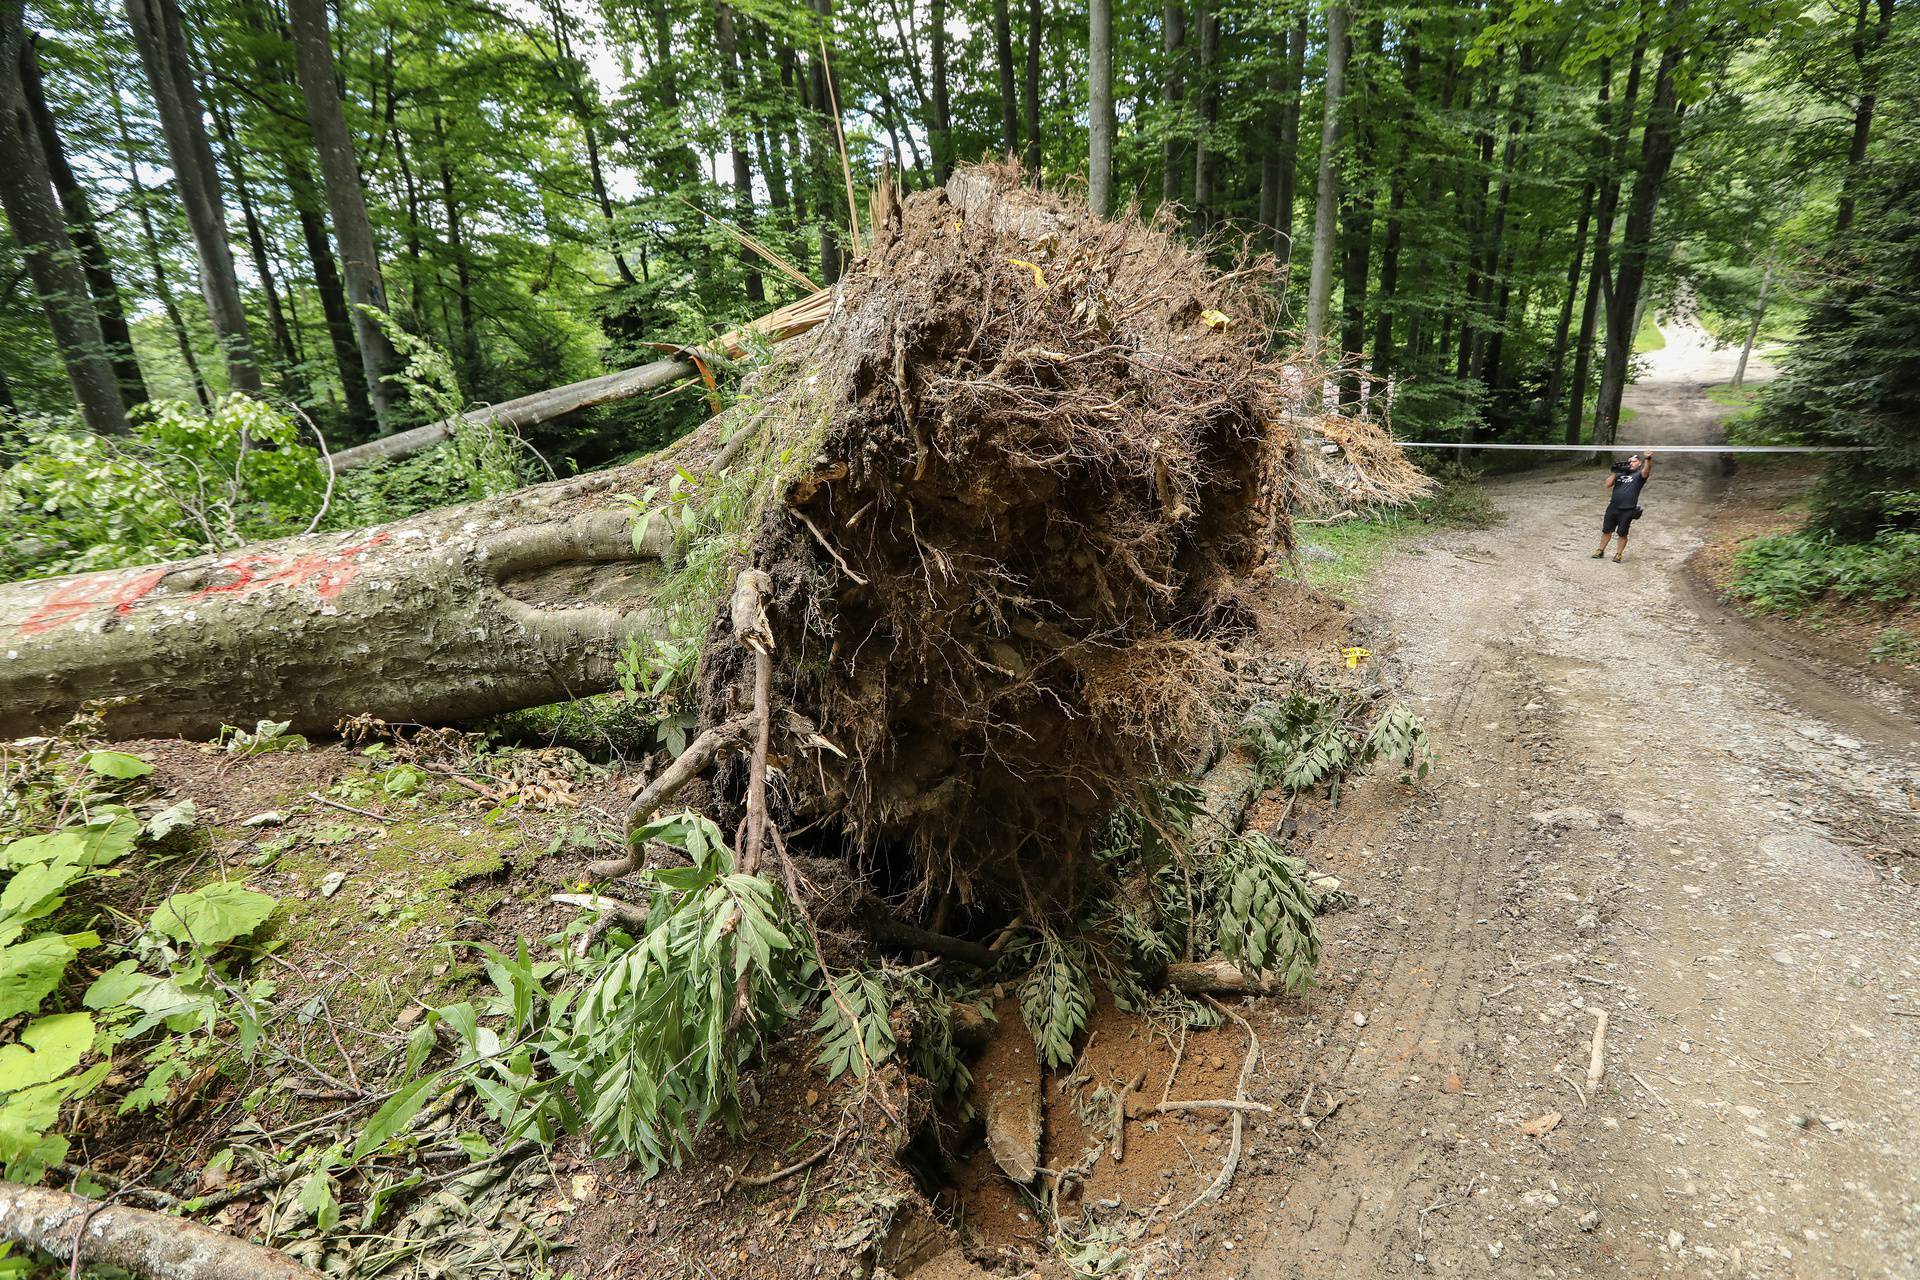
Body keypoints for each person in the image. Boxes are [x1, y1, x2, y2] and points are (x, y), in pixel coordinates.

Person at [1593, 450, 1654, 562]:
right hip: (1613, 507)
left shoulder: (1639, 475)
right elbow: (1607, 485)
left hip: (1627, 509)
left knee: (1622, 533)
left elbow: (1647, 470)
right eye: (1629, 461)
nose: (1631, 463)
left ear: (1639, 463)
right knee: (1606, 530)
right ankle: (1600, 550)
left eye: (1634, 461)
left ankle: (1618, 554)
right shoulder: (1620, 473)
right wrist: (1615, 472)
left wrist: (1648, 459)